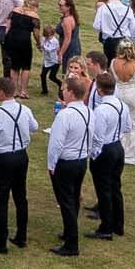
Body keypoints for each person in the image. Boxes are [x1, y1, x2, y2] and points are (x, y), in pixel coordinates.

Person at [0, 76, 38, 254]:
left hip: (3, 158)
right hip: (21, 156)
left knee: (2, 199)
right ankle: (21, 237)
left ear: (0, 93)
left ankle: (1, 242)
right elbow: (34, 127)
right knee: (21, 197)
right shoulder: (25, 109)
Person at [45, 75, 92, 256]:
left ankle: (71, 243)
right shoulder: (89, 112)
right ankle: (68, 232)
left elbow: (56, 143)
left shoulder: (65, 115)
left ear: (71, 93)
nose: (62, 92)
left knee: (66, 202)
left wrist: (51, 164)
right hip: (81, 160)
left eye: (64, 89)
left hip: (66, 162)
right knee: (73, 198)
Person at [87, 71, 132, 239]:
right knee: (115, 187)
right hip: (118, 147)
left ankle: (106, 227)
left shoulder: (101, 110)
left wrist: (94, 154)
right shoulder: (122, 105)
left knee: (104, 189)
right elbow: (127, 127)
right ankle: (118, 224)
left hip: (105, 150)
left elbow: (98, 137)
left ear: (99, 90)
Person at [111, 42, 135, 166]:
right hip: (132, 94)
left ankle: (118, 150)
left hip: (117, 93)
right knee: (134, 124)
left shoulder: (113, 62)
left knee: (117, 122)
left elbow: (111, 80)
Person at [3, 0, 40, 95]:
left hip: (12, 39)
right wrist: (38, 43)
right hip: (24, 41)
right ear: (34, 6)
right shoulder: (34, 16)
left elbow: (7, 27)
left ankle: (14, 91)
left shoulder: (14, 11)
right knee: (26, 66)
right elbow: (36, 33)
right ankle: (23, 91)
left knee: (14, 66)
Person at [92, 0, 135, 64]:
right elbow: (133, 28)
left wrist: (106, 29)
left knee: (109, 64)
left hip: (109, 41)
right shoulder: (128, 10)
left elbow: (96, 25)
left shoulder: (103, 8)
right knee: (124, 64)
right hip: (124, 41)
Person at [56, 0, 83, 67]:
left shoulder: (67, 20)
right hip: (75, 46)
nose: (59, 7)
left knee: (68, 70)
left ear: (68, 7)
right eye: (59, 5)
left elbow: (67, 39)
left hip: (69, 49)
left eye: (61, 5)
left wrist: (61, 53)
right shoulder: (72, 17)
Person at [39, 26, 63, 95]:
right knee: (43, 75)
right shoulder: (44, 39)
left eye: (49, 35)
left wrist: (43, 46)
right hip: (47, 61)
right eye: (46, 35)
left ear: (52, 34)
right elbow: (41, 45)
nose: (47, 37)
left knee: (52, 77)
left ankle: (60, 84)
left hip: (55, 61)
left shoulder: (55, 41)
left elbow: (49, 50)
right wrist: (40, 46)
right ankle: (44, 90)